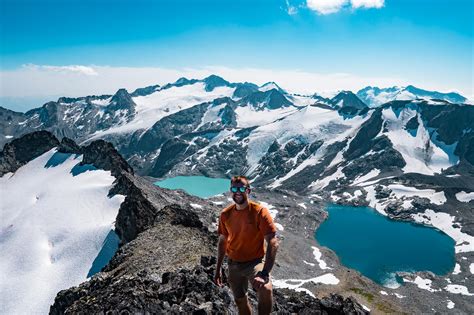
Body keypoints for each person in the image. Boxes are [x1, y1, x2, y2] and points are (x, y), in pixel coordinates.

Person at [214, 175, 279, 315]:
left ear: (248, 190)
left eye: (242, 188)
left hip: (254, 262)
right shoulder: (226, 214)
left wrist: (265, 273)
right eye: (234, 188)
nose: (238, 192)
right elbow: (222, 241)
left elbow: (273, 242)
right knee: (240, 301)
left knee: (266, 289)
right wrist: (218, 268)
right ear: (231, 190)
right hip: (233, 264)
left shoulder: (259, 212)